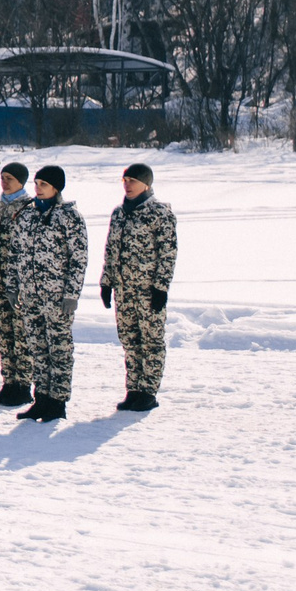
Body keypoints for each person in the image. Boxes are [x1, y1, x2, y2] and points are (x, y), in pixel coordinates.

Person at [9, 165, 89, 421]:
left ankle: (58, 401)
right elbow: (15, 254)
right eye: (36, 183)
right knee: (37, 348)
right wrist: (13, 287)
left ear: (56, 187)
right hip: (31, 295)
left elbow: (79, 258)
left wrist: (71, 294)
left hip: (57, 298)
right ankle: (41, 398)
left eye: (43, 184)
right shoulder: (26, 216)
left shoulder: (69, 216)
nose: (38, 188)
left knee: (59, 349)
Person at [100, 161, 178, 412]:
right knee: (130, 340)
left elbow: (168, 253)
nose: (127, 185)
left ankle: (148, 391)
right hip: (124, 291)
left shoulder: (160, 213)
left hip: (147, 291)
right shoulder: (119, 213)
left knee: (151, 341)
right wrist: (106, 282)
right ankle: (134, 389)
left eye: (132, 181)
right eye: (124, 181)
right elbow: (111, 250)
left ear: (146, 184)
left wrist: (160, 287)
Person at [0, 162, 36, 407]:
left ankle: (24, 384)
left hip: (20, 283)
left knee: (21, 333)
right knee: (3, 334)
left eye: (10, 178)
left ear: (21, 181)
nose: (4, 181)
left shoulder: (30, 208)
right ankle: (9, 381)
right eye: (3, 177)